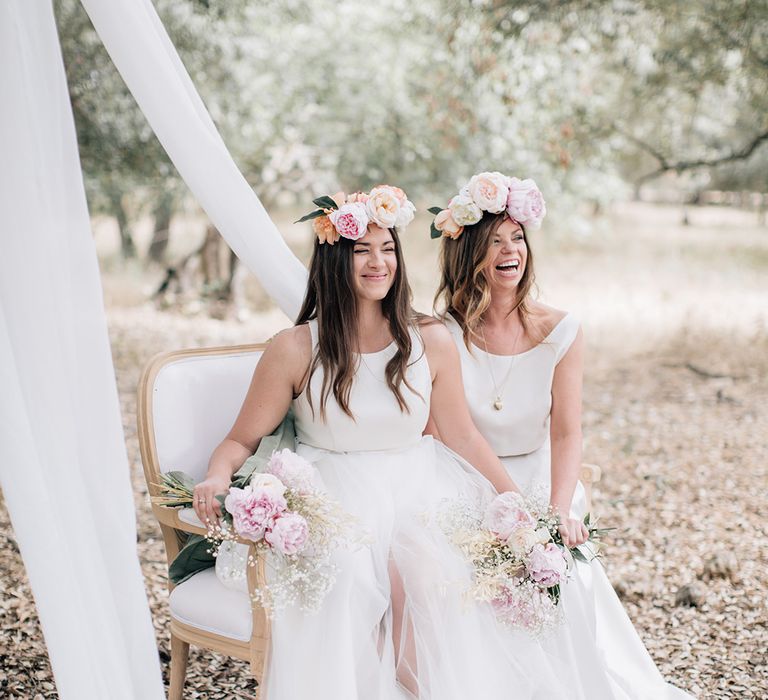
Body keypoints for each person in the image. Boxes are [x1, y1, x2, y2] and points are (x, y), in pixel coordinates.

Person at [192, 185, 566, 700]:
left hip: (418, 487)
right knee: (350, 573)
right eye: (362, 250)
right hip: (333, 496)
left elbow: (460, 435)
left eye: (388, 249)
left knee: (429, 569)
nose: (378, 262)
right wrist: (217, 475)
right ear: (334, 259)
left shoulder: (430, 340)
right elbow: (239, 440)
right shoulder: (295, 348)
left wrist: (515, 505)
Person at [428, 171, 693, 699]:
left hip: (538, 476)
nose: (510, 251)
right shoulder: (440, 333)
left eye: (517, 237)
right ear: (468, 254)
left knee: (555, 567)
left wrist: (557, 511)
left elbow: (567, 433)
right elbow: (448, 433)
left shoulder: (562, 330)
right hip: (460, 475)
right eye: (494, 241)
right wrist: (509, 510)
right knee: (457, 572)